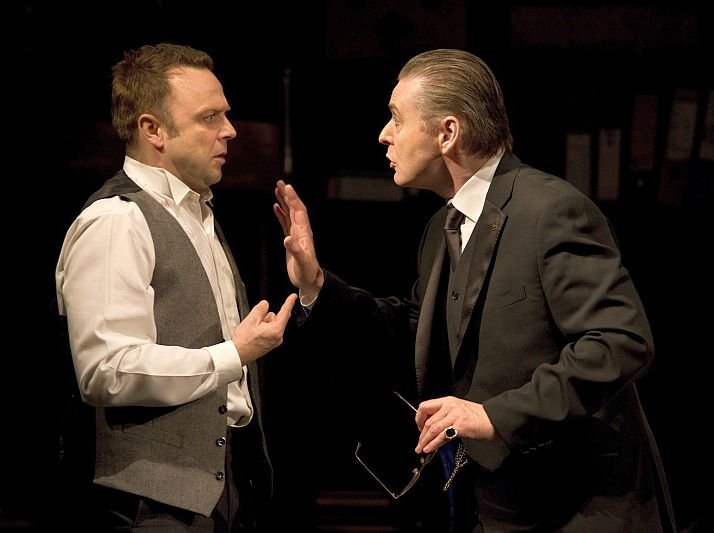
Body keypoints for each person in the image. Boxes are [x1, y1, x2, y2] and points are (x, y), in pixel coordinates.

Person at [274, 49, 674, 532]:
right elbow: (420, 331)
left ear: (447, 133)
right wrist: (317, 284)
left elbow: (619, 342)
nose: (384, 134)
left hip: (575, 508)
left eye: (397, 118)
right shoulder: (442, 228)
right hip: (488, 506)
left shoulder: (550, 210)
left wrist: (495, 417)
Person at [54, 42, 297, 532]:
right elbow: (106, 370)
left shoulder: (198, 214)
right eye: (209, 117)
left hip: (225, 486)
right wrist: (233, 353)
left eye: (225, 114)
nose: (229, 130)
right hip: (151, 501)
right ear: (153, 130)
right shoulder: (117, 220)